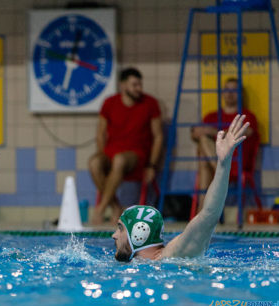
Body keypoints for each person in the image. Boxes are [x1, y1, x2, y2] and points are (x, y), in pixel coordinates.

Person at [112, 114, 249, 262]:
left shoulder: (173, 255)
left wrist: (223, 164)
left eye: (121, 228)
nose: (114, 235)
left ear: (139, 233)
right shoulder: (138, 265)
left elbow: (209, 215)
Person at [88, 68, 164, 225]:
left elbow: (158, 136)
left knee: (119, 160)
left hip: (136, 156)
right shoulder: (109, 103)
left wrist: (152, 165)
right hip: (111, 154)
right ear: (123, 85)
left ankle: (100, 210)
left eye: (140, 85)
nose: (139, 89)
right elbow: (100, 134)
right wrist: (102, 156)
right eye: (134, 85)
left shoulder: (150, 104)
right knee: (94, 162)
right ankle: (116, 207)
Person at [191, 78, 260, 214]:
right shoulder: (211, 116)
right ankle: (220, 169)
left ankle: (201, 214)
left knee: (204, 150)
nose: (229, 93)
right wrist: (198, 132)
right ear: (222, 93)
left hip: (236, 164)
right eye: (227, 89)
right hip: (214, 164)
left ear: (240, 94)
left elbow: (242, 131)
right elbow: (196, 133)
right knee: (203, 145)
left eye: (233, 90)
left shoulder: (247, 116)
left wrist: (212, 131)